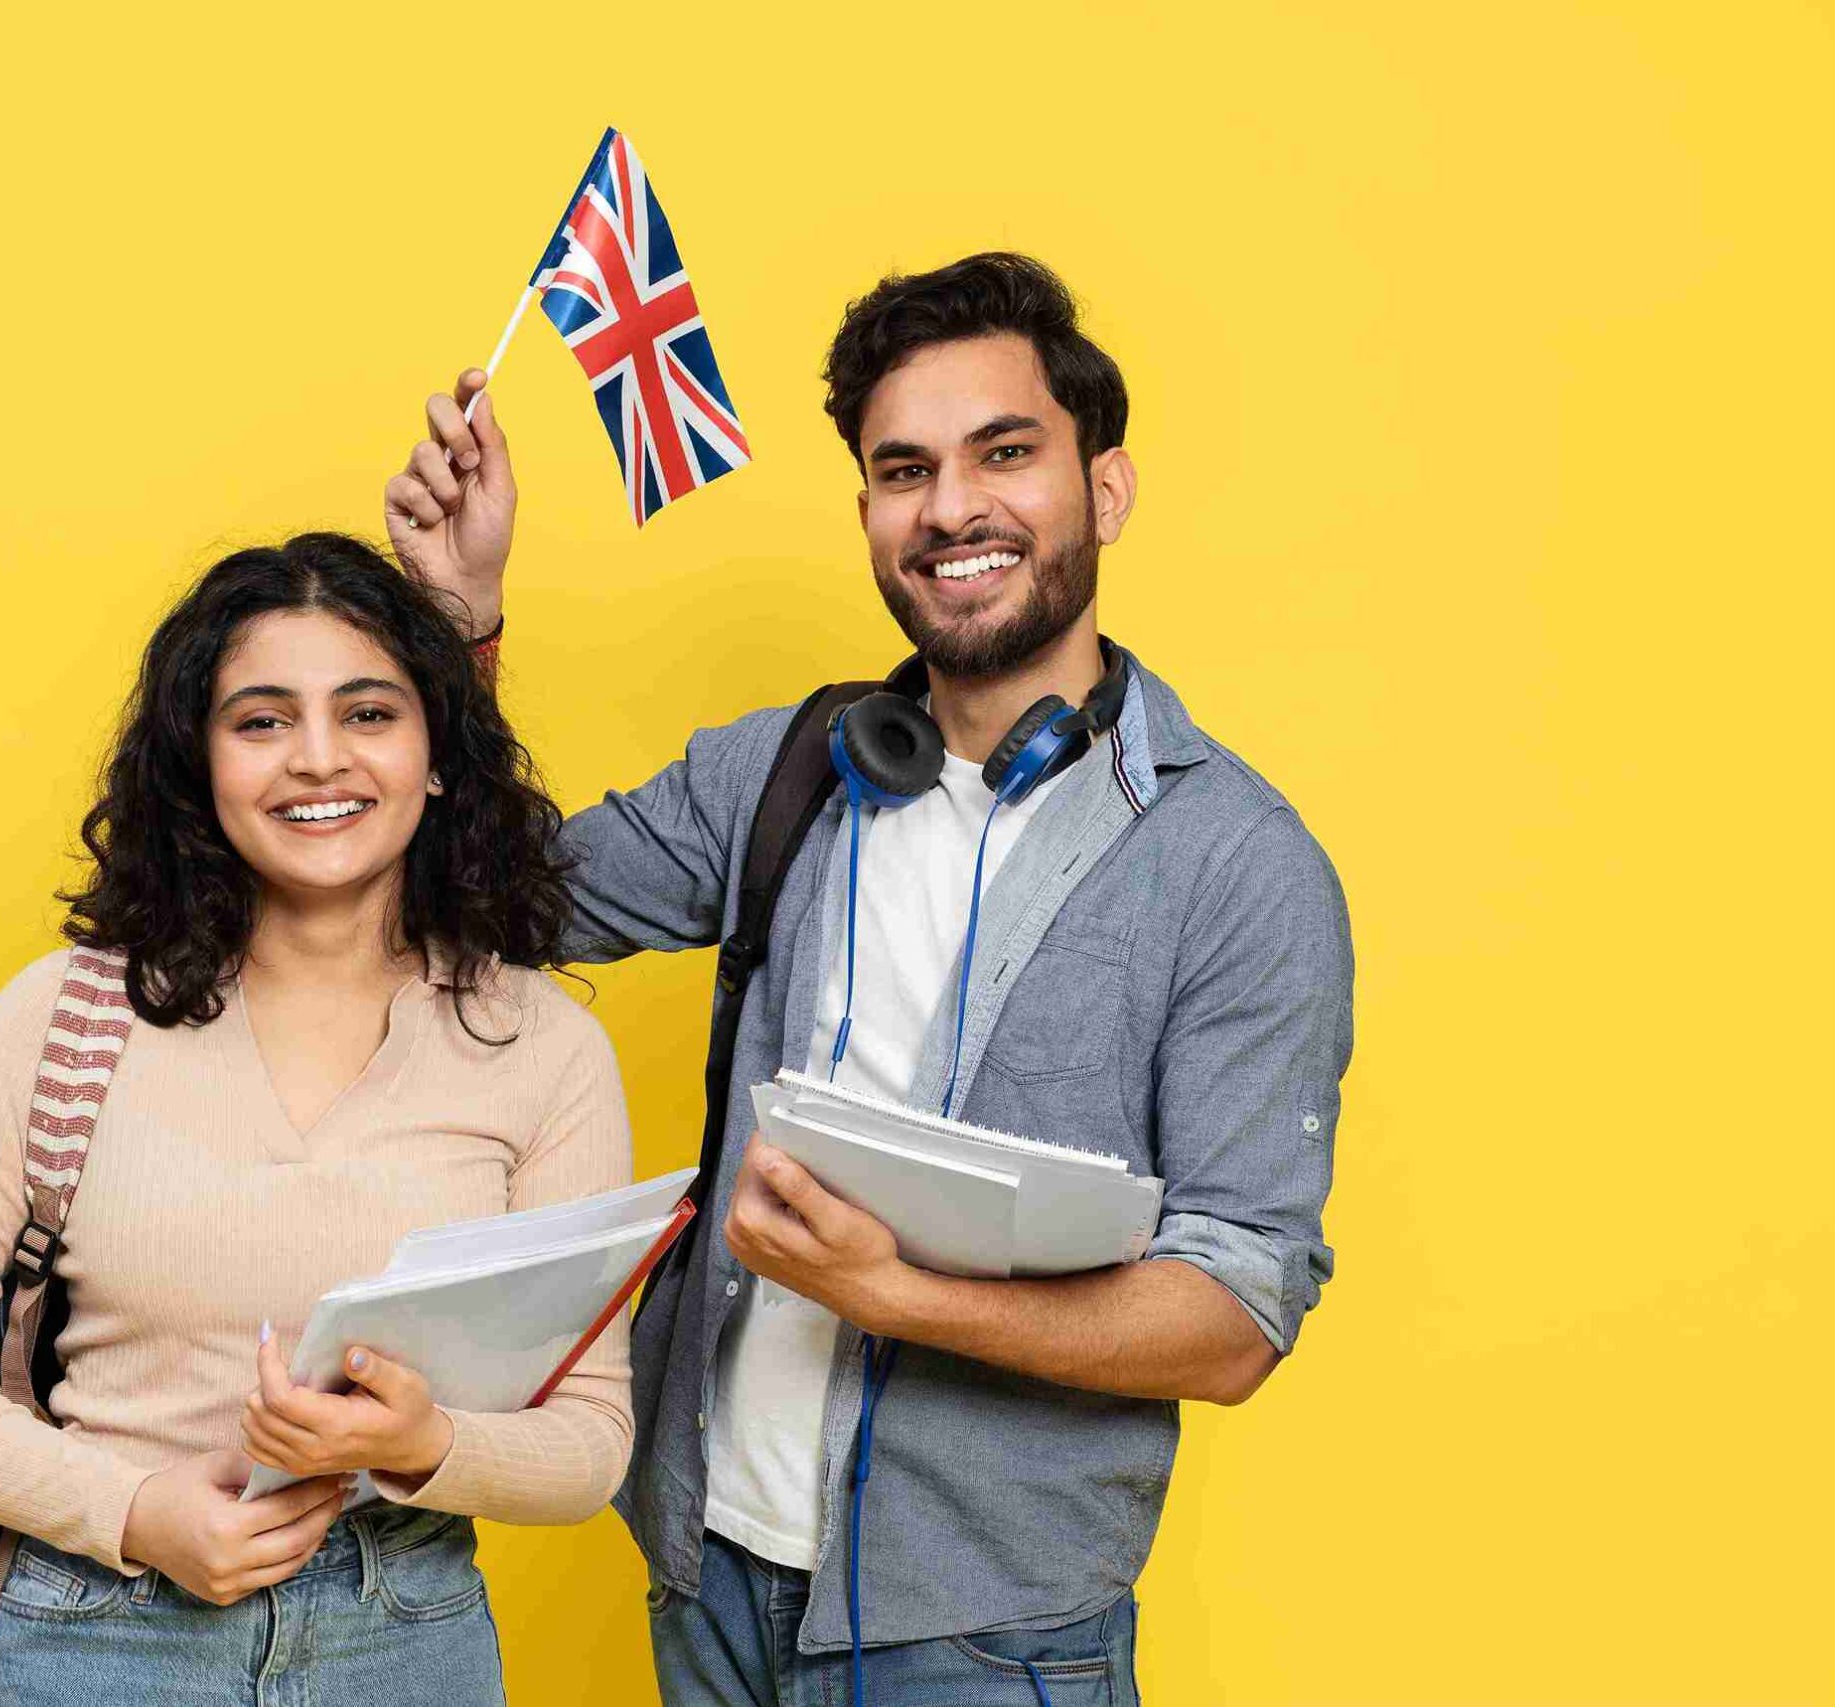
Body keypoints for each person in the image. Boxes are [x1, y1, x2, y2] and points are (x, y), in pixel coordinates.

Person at [387, 252, 1355, 1705]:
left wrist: (896, 1294)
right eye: (906, 470)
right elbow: (485, 905)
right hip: (706, 1573)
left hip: (988, 1636)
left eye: (1004, 453)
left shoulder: (1238, 865)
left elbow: (1234, 1320)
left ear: (1105, 489)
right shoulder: (780, 772)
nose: (951, 507)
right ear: (868, 519)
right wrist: (459, 619)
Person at [0, 533, 635, 1706]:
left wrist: (421, 1446)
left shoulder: (543, 1048)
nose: (318, 758)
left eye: (368, 713)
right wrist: (133, 1512)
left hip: (405, 1642)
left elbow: (592, 1443)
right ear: (197, 764)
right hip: (91, 1638)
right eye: (261, 721)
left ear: (436, 758)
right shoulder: (65, 1016)